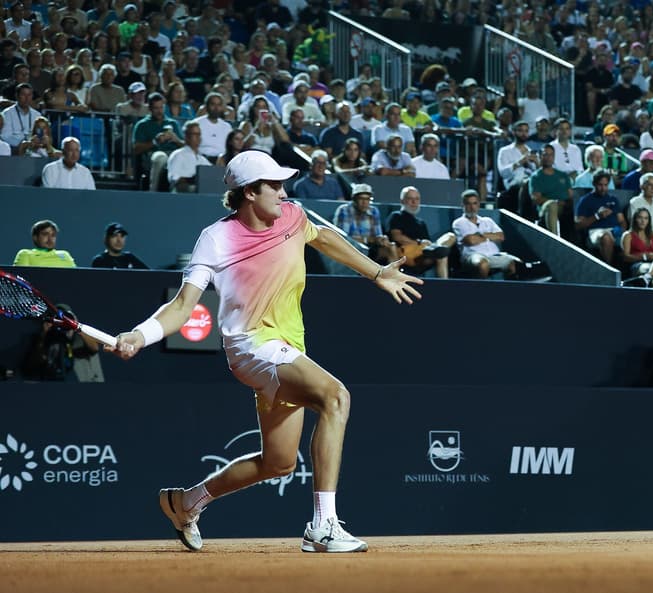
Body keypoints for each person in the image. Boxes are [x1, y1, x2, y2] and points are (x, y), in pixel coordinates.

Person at [111, 151, 422, 554]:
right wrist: (140, 334)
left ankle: (185, 503)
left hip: (287, 345)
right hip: (251, 346)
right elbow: (183, 306)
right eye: (273, 185)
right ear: (249, 193)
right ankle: (323, 525)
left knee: (279, 463)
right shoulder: (216, 238)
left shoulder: (292, 215)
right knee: (335, 396)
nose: (282, 190)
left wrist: (377, 272)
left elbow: (324, 237)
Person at [21, 303, 104, 383]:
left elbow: (94, 348)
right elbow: (35, 361)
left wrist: (77, 325)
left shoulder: (75, 338)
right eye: (58, 318)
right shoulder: (44, 338)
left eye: (65, 318)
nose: (61, 322)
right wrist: (44, 333)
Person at [386, 185, 455, 278]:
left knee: (449, 238)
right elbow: (397, 237)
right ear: (402, 201)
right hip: (406, 254)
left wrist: (426, 245)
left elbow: (426, 241)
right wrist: (419, 243)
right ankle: (436, 249)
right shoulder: (396, 216)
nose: (414, 202)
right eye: (410, 199)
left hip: (423, 253)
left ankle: (444, 284)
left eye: (417, 199)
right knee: (439, 252)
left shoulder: (421, 222)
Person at [452, 189, 521, 279]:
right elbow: (471, 241)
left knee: (515, 263)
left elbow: (501, 236)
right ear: (463, 205)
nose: (472, 207)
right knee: (483, 264)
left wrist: (480, 235)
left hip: (494, 255)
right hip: (473, 256)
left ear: (478, 204)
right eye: (468, 204)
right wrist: (490, 236)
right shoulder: (459, 223)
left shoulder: (487, 220)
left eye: (474, 203)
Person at [332, 183, 398, 265]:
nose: (364, 202)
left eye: (367, 199)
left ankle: (393, 275)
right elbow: (343, 239)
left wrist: (382, 240)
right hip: (351, 249)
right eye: (361, 199)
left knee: (391, 247)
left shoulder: (374, 211)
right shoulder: (344, 210)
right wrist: (367, 240)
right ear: (354, 199)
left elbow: (377, 235)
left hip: (370, 248)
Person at [133, 92, 184, 191]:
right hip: (152, 156)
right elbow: (136, 149)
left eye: (161, 107)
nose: (159, 111)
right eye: (156, 108)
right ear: (150, 109)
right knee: (161, 157)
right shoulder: (142, 125)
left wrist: (176, 139)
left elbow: (186, 146)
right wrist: (155, 142)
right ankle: (153, 193)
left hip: (173, 155)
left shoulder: (173, 123)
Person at [574, 170, 627, 264]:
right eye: (600, 185)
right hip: (595, 232)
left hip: (614, 230)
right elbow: (578, 225)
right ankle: (609, 271)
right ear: (594, 184)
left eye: (606, 185)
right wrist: (597, 216)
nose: (603, 188)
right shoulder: (585, 200)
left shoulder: (613, 199)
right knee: (606, 237)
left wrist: (621, 230)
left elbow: (622, 221)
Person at [528, 144, 573, 236]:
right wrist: (555, 202)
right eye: (545, 155)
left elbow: (571, 195)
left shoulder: (562, 175)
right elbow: (536, 198)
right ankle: (555, 241)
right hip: (546, 209)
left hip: (564, 207)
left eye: (551, 155)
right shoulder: (536, 177)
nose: (548, 158)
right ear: (540, 156)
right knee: (552, 205)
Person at [495, 120, 539, 213]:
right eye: (520, 131)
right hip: (513, 183)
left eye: (526, 131)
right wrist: (519, 162)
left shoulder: (531, 152)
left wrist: (537, 163)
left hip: (531, 183)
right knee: (526, 183)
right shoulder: (505, 151)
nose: (524, 134)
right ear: (514, 132)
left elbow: (538, 174)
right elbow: (503, 173)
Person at [166, 120, 211, 193]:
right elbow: (173, 179)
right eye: (194, 134)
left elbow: (213, 175)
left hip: (202, 191)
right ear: (186, 136)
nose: (198, 137)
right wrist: (191, 179)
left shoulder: (202, 159)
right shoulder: (178, 155)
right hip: (182, 191)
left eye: (199, 134)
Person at [621, 207, 653, 281]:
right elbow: (625, 257)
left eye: (646, 218)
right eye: (640, 218)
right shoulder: (628, 235)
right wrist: (644, 257)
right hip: (636, 264)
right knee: (652, 270)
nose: (643, 221)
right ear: (635, 219)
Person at [0, 83, 42, 149]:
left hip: (33, 148)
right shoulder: (7, 113)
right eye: (23, 94)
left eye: (29, 95)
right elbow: (5, 136)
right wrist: (23, 143)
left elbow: (40, 135)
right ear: (17, 96)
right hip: (14, 148)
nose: (27, 98)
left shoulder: (37, 115)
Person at [195, 92, 232, 162]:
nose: (216, 108)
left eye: (219, 105)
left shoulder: (227, 126)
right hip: (201, 159)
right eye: (213, 104)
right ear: (206, 106)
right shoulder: (197, 124)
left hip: (222, 160)